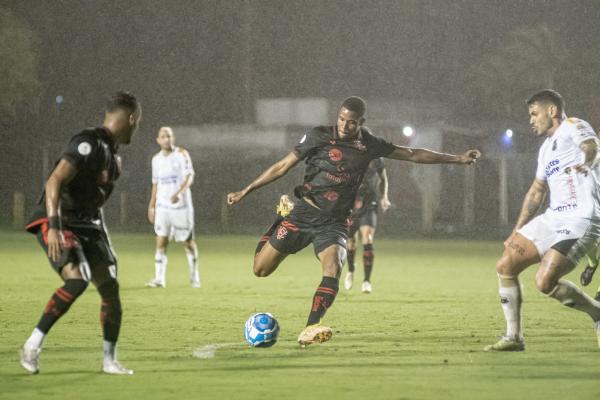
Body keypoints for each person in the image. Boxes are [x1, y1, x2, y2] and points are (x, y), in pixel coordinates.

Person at [227, 96, 480, 346]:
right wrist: (245, 190)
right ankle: (279, 220)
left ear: (361, 122)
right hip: (303, 213)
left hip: (334, 222)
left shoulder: (369, 145)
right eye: (341, 118)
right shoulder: (318, 136)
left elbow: (413, 154)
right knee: (260, 270)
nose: (344, 125)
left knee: (333, 269)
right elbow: (282, 166)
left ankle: (310, 327)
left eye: (350, 122)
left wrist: (457, 159)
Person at [20, 91, 141, 374]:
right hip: (60, 219)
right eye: (138, 122)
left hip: (88, 225)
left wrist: (106, 244)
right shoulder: (88, 142)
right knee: (77, 281)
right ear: (132, 118)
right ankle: (31, 346)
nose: (138, 127)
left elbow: (95, 205)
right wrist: (54, 226)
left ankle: (110, 361)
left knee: (110, 286)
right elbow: (55, 181)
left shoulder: (114, 159)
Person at [485, 89, 600, 352]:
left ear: (552, 111)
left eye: (534, 113)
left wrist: (587, 162)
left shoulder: (573, 126)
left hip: (582, 218)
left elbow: (590, 146)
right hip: (553, 217)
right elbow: (537, 190)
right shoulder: (546, 149)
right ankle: (514, 337)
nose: (531, 119)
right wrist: (517, 230)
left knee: (544, 282)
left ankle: (597, 313)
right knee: (505, 265)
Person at [146, 127, 200, 288]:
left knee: (188, 241)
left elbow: (190, 176)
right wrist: (152, 205)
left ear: (173, 138)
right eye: (163, 136)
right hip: (163, 207)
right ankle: (159, 279)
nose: (166, 139)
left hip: (181, 206)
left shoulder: (182, 154)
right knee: (161, 240)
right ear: (158, 140)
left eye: (168, 136)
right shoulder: (156, 159)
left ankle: (194, 277)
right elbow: (155, 183)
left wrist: (179, 193)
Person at [344, 158, 391, 293]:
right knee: (351, 242)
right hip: (351, 202)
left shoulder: (377, 157)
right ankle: (351, 270)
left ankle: (366, 281)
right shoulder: (350, 154)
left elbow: (383, 179)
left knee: (368, 238)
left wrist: (384, 197)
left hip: (370, 201)